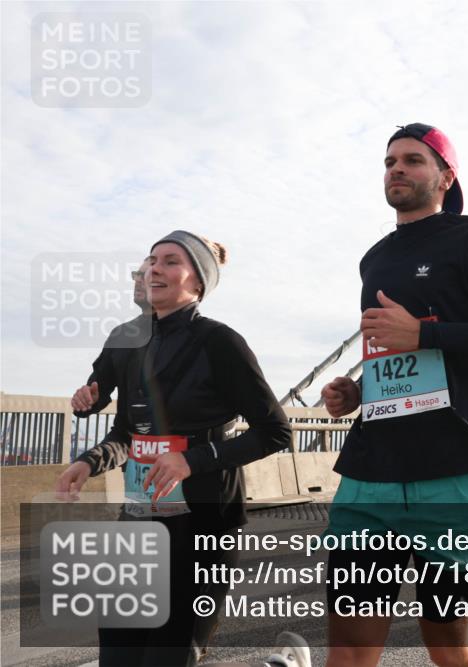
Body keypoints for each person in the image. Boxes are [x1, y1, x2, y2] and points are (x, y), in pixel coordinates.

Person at [319, 123, 468, 667]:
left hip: (449, 470)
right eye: (390, 160)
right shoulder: (374, 257)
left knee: (446, 650)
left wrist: (425, 333)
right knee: (348, 650)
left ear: (446, 176)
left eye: (413, 160)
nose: (397, 168)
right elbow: (390, 349)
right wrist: (359, 390)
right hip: (369, 474)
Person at [55, 231, 293, 666]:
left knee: (172, 653)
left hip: (205, 520)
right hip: (140, 516)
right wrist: (88, 462)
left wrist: (190, 460)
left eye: (169, 261)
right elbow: (128, 433)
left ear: (197, 282)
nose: (154, 269)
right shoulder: (126, 338)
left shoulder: (221, 343)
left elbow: (275, 431)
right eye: (150, 261)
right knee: (120, 654)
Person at [70, 259, 154, 418]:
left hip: (185, 440)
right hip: (125, 438)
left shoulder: (204, 335)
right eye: (137, 275)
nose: (137, 281)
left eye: (146, 275)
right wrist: (87, 399)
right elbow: (98, 388)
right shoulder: (122, 334)